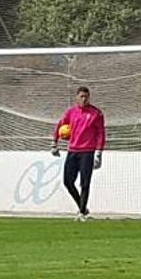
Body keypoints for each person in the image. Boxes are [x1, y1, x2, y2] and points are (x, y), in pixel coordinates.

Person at [51, 86, 105, 222]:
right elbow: (60, 125)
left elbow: (100, 133)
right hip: (73, 151)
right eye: (81, 96)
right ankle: (83, 207)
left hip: (87, 152)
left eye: (86, 96)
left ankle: (81, 213)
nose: (84, 99)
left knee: (85, 183)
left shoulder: (96, 114)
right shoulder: (71, 112)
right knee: (68, 182)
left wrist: (98, 152)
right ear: (77, 97)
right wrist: (54, 143)